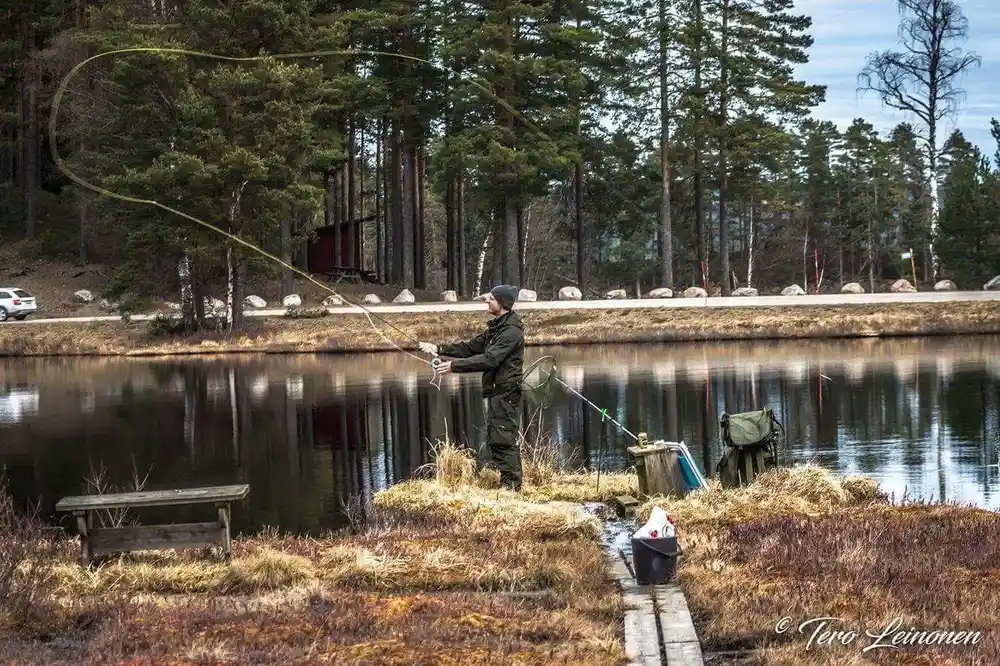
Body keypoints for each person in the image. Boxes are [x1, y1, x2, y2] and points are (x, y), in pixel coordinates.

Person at [419, 284, 525, 491]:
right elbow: (470, 348)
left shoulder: (511, 332)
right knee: (498, 438)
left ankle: (512, 488)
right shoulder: (498, 327)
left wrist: (453, 367)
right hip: (497, 392)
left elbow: (490, 359)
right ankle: (510, 485)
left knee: (503, 439)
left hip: (506, 392)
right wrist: (438, 348)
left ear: (502, 303)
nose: (487, 301)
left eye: (491, 299)